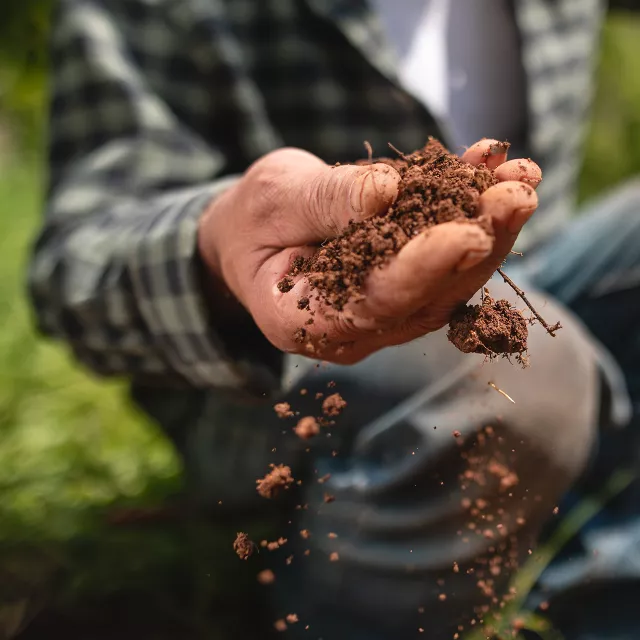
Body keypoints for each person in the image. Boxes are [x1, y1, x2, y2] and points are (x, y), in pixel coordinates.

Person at [29, 0, 640, 638]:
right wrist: (218, 241)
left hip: (536, 265)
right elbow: (75, 262)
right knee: (525, 373)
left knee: (523, 343)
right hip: (272, 374)